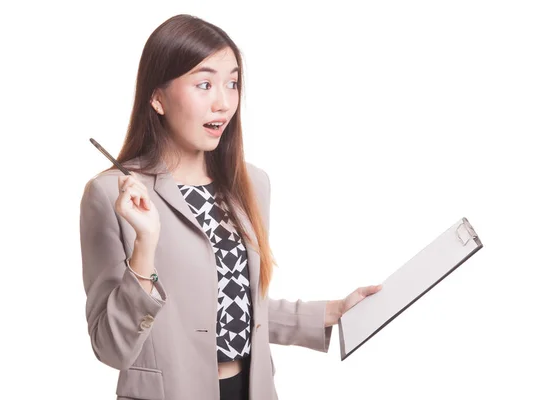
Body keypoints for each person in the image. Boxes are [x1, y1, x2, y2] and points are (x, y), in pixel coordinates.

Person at [79, 13, 382, 400]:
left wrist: (334, 311)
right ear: (157, 98)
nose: (224, 103)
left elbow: (233, 306)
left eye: (232, 83)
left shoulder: (251, 184)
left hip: (251, 390)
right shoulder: (111, 195)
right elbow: (110, 347)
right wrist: (144, 249)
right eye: (204, 84)